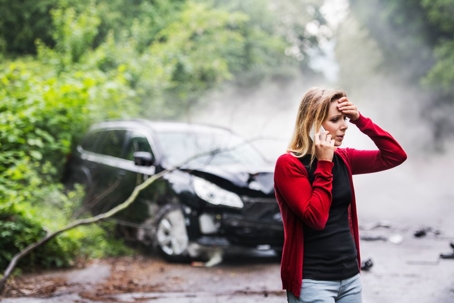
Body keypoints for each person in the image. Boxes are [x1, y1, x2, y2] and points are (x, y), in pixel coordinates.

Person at [274, 87, 407, 303]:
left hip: (350, 279)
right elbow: (316, 218)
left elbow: (395, 155)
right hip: (313, 282)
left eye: (345, 118)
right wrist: (324, 163)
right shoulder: (289, 165)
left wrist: (360, 120)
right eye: (335, 120)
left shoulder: (343, 158)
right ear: (312, 124)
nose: (344, 126)